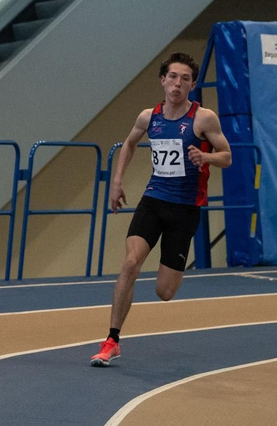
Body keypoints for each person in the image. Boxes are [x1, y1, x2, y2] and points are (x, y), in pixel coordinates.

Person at [89, 52, 231, 367]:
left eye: (184, 78)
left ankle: (167, 271)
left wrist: (205, 158)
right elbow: (128, 144)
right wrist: (117, 182)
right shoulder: (147, 117)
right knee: (130, 263)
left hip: (184, 210)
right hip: (154, 200)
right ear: (163, 81)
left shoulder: (203, 118)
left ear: (192, 85)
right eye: (172, 77)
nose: (177, 83)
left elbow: (227, 155)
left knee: (164, 292)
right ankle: (112, 340)